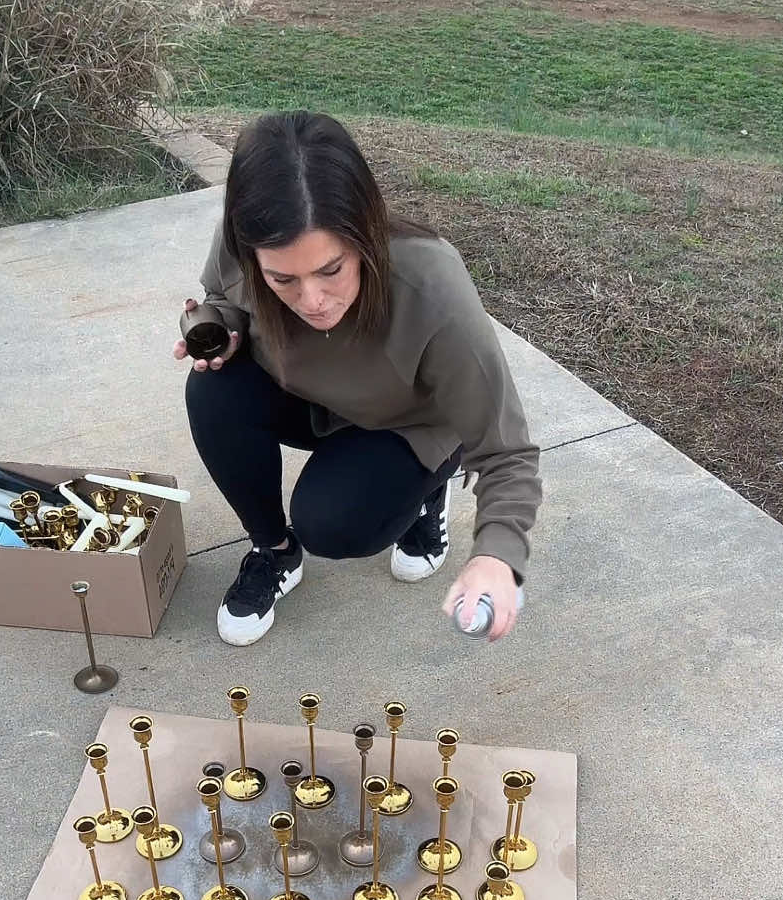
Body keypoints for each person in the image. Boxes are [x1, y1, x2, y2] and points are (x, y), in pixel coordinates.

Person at [174, 111, 541, 646]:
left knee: (334, 523)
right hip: (308, 393)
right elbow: (222, 299)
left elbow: (507, 450)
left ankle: (425, 493)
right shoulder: (243, 238)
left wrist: (496, 556)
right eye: (282, 279)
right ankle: (274, 552)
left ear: (365, 235)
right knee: (213, 390)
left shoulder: (431, 285)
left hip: (406, 422)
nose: (313, 302)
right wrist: (222, 329)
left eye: (331, 270)